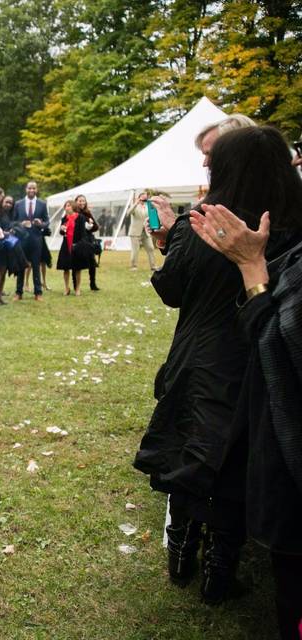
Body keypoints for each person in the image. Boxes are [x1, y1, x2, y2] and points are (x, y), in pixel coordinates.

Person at [132, 127, 294, 605]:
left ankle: (183, 557)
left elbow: (172, 291)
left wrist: (169, 242)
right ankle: (219, 571)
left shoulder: (198, 222)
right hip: (254, 358)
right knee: (236, 465)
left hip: (200, 358)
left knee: (190, 458)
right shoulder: (286, 226)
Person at [185, 127, 302, 636]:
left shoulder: (239, 233)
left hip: (250, 381)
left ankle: (209, 563)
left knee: (224, 471)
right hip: (245, 378)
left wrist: (251, 268)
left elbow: (285, 337)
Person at [12, 181, 48, 300]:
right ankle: (19, 292)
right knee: (21, 265)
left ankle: (38, 293)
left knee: (36, 266)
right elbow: (13, 221)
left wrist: (41, 224)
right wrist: (20, 224)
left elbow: (47, 222)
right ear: (26, 189)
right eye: (29, 188)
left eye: (34, 188)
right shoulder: (18, 204)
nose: (31, 190)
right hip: (22, 239)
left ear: (36, 190)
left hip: (36, 239)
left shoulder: (42, 204)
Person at [55, 200, 88, 295]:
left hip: (76, 245)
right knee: (65, 268)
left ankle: (78, 288)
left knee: (77, 268)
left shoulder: (80, 217)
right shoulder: (64, 218)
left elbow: (83, 233)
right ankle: (66, 288)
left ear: (73, 206)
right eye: (65, 206)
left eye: (68, 205)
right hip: (66, 245)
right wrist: (61, 230)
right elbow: (62, 233)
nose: (66, 207)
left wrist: (78, 245)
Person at [73, 195, 101, 291]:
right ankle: (75, 285)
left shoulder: (87, 213)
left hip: (88, 240)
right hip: (78, 240)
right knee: (76, 263)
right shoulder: (73, 213)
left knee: (92, 262)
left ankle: (93, 284)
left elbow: (96, 227)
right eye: (80, 201)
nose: (82, 203)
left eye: (83, 201)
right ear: (76, 201)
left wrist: (90, 225)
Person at [0, 195, 14, 305]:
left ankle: (0, 295)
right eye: (6, 202)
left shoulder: (9, 214)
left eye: (10, 203)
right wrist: (6, 233)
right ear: (2, 202)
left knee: (4, 271)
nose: (8, 205)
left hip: (7, 245)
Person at [128, 192, 157, 271]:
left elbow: (152, 216)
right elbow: (128, 213)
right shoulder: (135, 206)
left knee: (151, 248)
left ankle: (153, 266)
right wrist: (136, 203)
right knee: (135, 250)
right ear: (139, 198)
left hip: (146, 232)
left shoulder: (148, 206)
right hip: (135, 232)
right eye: (143, 198)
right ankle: (134, 266)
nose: (144, 199)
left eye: (146, 198)